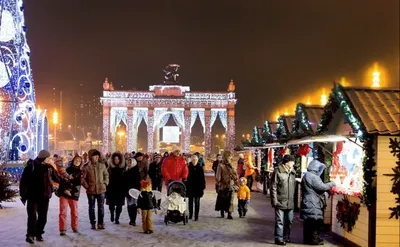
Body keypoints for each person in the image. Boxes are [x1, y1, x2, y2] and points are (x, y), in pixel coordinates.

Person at [20, 150, 61, 244]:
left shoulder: (49, 167)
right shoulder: (31, 167)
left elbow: (57, 178)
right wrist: (23, 195)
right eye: (48, 158)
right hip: (32, 196)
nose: (50, 159)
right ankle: (30, 235)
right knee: (32, 217)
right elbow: (23, 182)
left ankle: (38, 233)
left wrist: (65, 182)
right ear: (44, 158)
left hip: (45, 196)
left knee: (43, 217)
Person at [301, 160, 335, 245]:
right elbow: (322, 187)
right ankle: (314, 240)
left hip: (307, 200)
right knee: (315, 222)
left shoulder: (306, 175)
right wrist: (332, 183)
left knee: (308, 223)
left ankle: (307, 239)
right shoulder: (313, 177)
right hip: (313, 202)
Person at [270, 155, 297, 246]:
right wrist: (275, 201)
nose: (293, 163)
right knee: (280, 221)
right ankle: (278, 238)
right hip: (280, 201)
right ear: (287, 162)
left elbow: (294, 186)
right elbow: (273, 187)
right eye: (292, 161)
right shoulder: (278, 172)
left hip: (290, 201)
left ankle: (286, 237)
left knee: (289, 220)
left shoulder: (293, 172)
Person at [82, 149, 109, 230]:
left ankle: (100, 223)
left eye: (98, 155)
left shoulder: (102, 165)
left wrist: (105, 183)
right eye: (95, 155)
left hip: (101, 189)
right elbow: (83, 179)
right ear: (91, 157)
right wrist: (87, 186)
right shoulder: (86, 167)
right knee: (91, 207)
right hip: (91, 191)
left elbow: (106, 175)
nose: (97, 157)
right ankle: (93, 223)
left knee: (101, 207)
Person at [58, 156, 83, 236]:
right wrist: (65, 188)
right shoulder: (67, 169)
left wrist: (71, 189)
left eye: (79, 160)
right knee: (62, 212)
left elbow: (78, 184)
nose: (77, 161)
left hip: (74, 194)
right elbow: (62, 180)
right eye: (76, 160)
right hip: (64, 193)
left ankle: (74, 227)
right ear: (73, 161)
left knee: (74, 212)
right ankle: (62, 229)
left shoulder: (80, 172)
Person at [215, 150, 238, 219]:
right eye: (229, 156)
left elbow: (235, 175)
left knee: (230, 199)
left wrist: (236, 182)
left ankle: (229, 213)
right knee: (223, 198)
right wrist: (218, 183)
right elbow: (218, 176)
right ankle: (223, 211)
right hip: (223, 185)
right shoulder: (221, 165)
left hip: (231, 185)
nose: (231, 157)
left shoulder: (232, 165)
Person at [106, 152, 126, 224]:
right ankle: (112, 214)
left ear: (120, 160)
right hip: (111, 189)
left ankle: (117, 218)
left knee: (119, 205)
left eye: (118, 159)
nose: (116, 160)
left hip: (120, 189)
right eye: (115, 159)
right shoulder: (110, 168)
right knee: (111, 205)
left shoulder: (123, 168)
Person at [186, 155, 206, 221]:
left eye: (195, 160)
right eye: (193, 160)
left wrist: (203, 186)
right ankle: (190, 215)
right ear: (191, 160)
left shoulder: (200, 168)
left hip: (198, 188)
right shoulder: (188, 167)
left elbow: (203, 178)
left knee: (197, 202)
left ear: (197, 160)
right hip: (190, 187)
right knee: (190, 202)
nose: (194, 161)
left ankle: (196, 216)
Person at [124, 157, 141, 226]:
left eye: (130, 162)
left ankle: (133, 220)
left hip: (134, 191)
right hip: (127, 191)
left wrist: (136, 191)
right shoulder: (126, 170)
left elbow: (138, 183)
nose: (129, 163)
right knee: (129, 205)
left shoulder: (135, 171)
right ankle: (131, 219)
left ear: (133, 163)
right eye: (128, 162)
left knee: (133, 205)